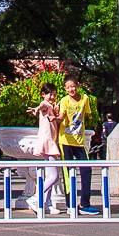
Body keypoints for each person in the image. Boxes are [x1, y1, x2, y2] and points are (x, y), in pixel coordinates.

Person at [59, 78, 99, 211]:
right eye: (68, 87)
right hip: (66, 140)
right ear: (65, 89)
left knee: (86, 170)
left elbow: (85, 116)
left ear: (78, 86)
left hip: (79, 141)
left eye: (73, 86)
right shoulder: (64, 101)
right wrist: (55, 118)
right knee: (68, 172)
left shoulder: (85, 99)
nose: (71, 89)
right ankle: (70, 204)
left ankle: (84, 204)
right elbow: (61, 115)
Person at [31, 82, 65, 213]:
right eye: (50, 94)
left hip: (51, 141)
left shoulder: (51, 106)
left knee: (50, 175)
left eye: (54, 95)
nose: (52, 97)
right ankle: (36, 198)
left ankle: (47, 203)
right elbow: (43, 106)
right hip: (47, 142)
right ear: (43, 95)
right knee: (53, 177)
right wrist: (38, 108)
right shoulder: (46, 105)